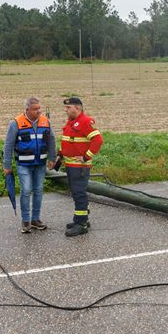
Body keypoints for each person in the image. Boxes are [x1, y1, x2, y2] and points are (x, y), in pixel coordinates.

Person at [3, 97, 55, 233]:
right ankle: (25, 221)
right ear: (27, 110)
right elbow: (8, 146)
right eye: (35, 109)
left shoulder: (45, 121)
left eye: (39, 108)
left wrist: (52, 157)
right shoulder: (16, 123)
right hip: (24, 164)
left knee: (38, 190)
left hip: (41, 164)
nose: (39, 111)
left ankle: (35, 219)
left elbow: (51, 140)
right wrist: (6, 165)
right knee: (26, 190)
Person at [59, 96, 103, 237]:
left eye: (68, 107)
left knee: (79, 193)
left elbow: (98, 140)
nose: (66, 110)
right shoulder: (72, 122)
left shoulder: (85, 122)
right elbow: (70, 142)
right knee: (77, 193)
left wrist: (86, 157)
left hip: (79, 166)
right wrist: (60, 154)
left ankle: (81, 224)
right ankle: (82, 218)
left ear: (77, 108)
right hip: (71, 165)